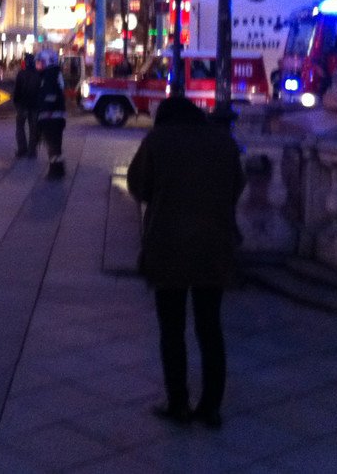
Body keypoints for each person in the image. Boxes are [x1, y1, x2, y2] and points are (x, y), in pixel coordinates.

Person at [126, 96, 245, 429]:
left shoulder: (157, 141)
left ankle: (177, 402)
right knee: (210, 327)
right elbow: (237, 186)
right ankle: (211, 407)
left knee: (172, 329)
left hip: (168, 246)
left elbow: (138, 186)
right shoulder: (223, 142)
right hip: (214, 246)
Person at [36, 49, 66, 179]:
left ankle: (55, 171)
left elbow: (50, 97)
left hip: (51, 118)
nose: (39, 65)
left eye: (41, 62)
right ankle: (58, 168)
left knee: (52, 146)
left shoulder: (49, 76)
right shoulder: (54, 74)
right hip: (56, 117)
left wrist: (43, 112)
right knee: (56, 146)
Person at [12, 52, 40, 158]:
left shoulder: (21, 74)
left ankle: (22, 149)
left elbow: (17, 90)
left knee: (20, 127)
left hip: (23, 105)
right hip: (34, 106)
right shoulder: (38, 75)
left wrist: (16, 103)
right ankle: (32, 151)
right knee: (33, 129)